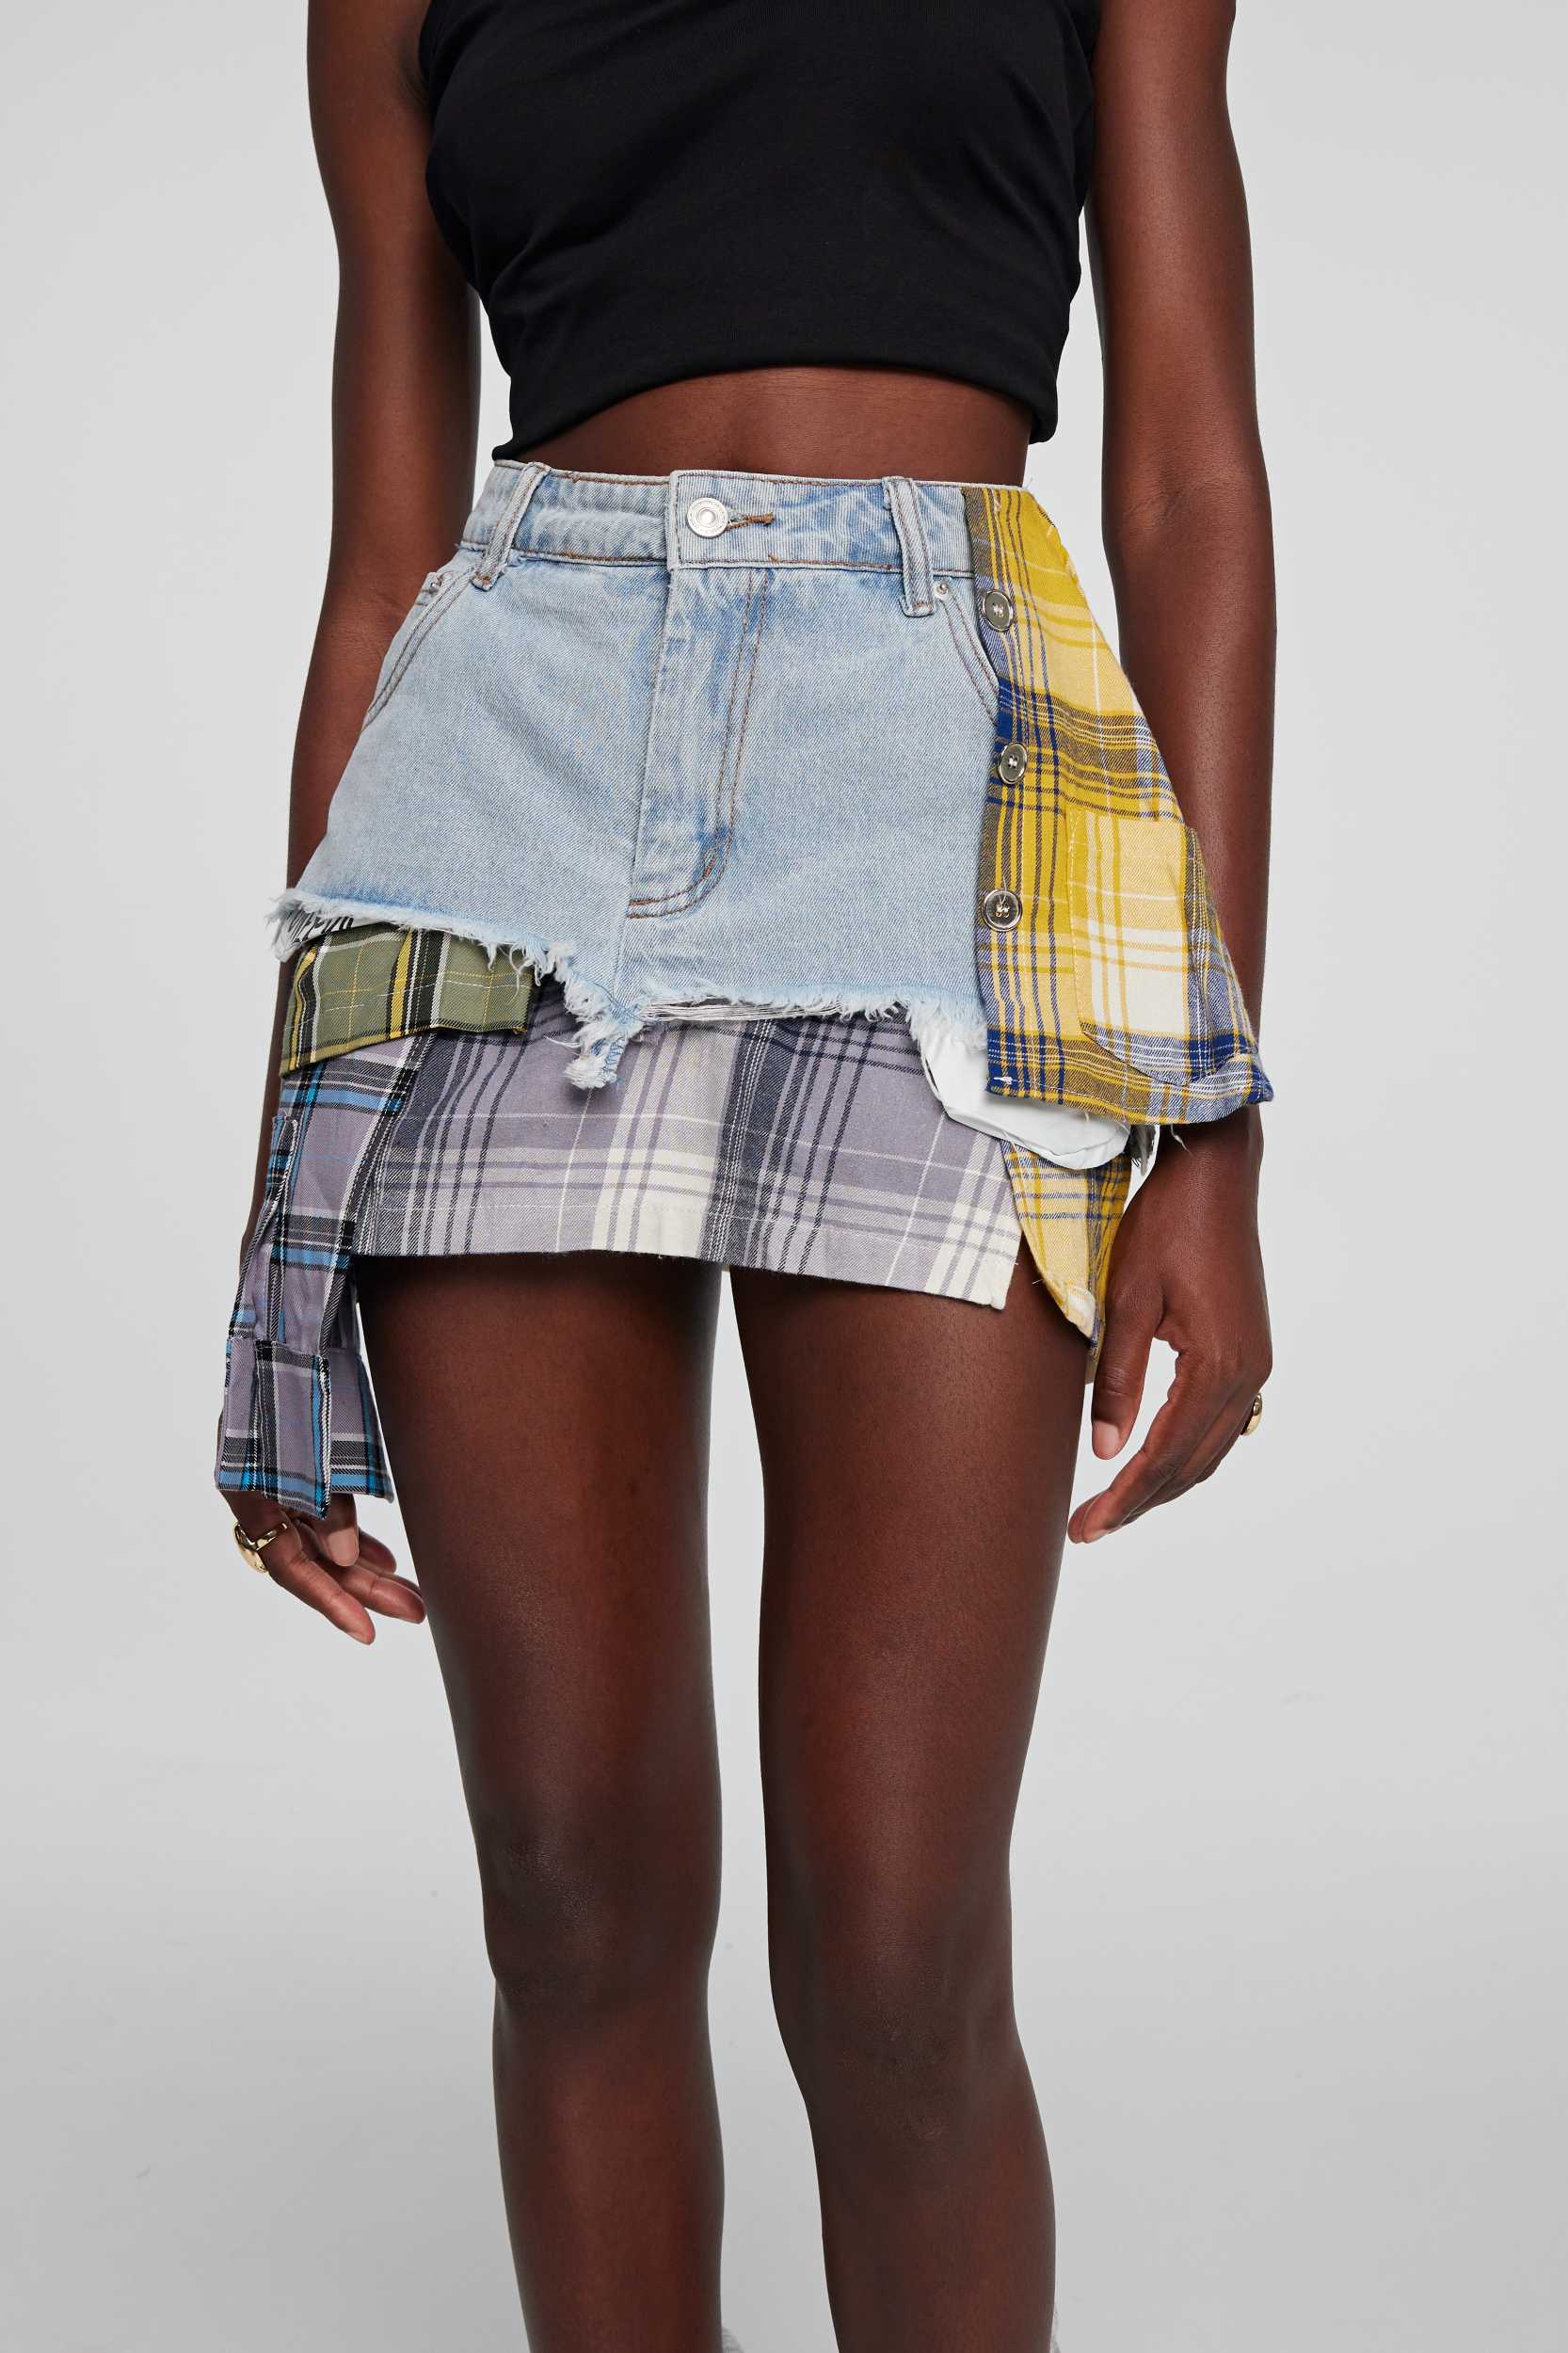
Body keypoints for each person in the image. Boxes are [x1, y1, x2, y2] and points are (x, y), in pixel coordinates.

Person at [216, 1, 1274, 2345]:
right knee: (569, 1891)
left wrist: (1208, 1106)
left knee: (894, 1944)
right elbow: (381, 560)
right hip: (495, 794)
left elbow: (1187, 480)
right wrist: (295, 1175)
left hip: (946, 789)